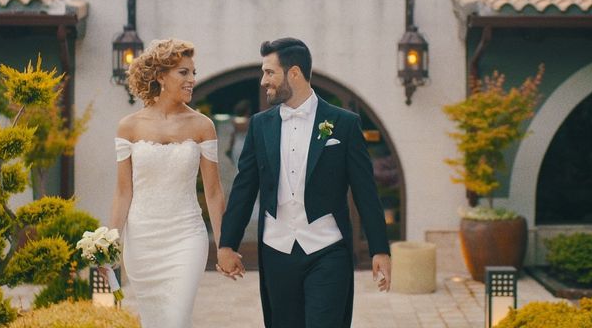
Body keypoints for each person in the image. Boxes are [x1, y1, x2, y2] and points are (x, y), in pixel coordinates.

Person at [217, 37, 391, 328]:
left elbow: (365, 192)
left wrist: (380, 250)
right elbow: (245, 186)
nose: (263, 81)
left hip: (328, 249)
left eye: (269, 72)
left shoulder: (344, 124)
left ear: (294, 73)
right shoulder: (260, 125)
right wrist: (227, 244)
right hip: (277, 251)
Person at [108, 39, 225, 328]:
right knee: (155, 321)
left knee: (175, 318)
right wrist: (110, 242)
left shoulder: (202, 126)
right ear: (160, 76)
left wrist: (225, 244)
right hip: (143, 241)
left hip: (186, 236)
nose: (192, 80)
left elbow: (213, 191)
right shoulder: (129, 126)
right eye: (183, 73)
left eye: (193, 73)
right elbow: (123, 192)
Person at [227, 99, 251, 170]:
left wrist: (230, 149)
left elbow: (232, 137)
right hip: (248, 147)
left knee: (237, 169)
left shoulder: (234, 122)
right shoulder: (250, 122)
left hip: (236, 147)